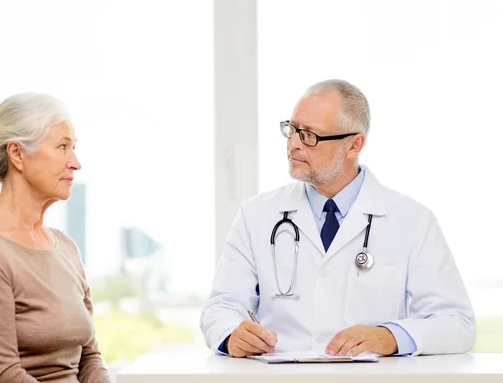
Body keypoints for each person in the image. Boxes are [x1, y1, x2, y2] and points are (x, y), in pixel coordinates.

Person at [200, 79, 475, 358]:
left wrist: (392, 336)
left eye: (309, 135)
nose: (293, 144)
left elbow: (458, 324)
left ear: (354, 145)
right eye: (292, 129)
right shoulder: (256, 215)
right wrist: (231, 334)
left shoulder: (413, 220)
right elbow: (220, 307)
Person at [0, 93, 110, 382]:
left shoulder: (66, 249)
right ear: (17, 154)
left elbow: (90, 358)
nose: (75, 162)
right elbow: (2, 375)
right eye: (62, 147)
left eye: (73, 148)